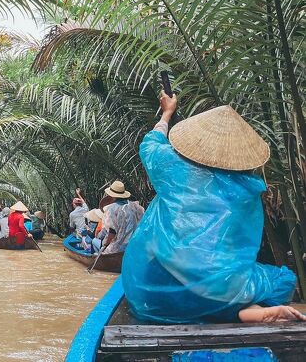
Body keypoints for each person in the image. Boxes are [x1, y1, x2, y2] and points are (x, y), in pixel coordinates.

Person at [122, 91, 305, 324]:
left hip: (152, 293)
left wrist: (167, 112)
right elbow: (237, 252)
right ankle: (245, 310)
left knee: (193, 276)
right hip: (217, 293)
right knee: (282, 280)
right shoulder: (247, 190)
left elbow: (150, 144)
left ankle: (240, 308)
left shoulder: (170, 166)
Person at [93, 181, 144, 255]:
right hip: (133, 245)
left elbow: (112, 232)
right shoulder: (135, 206)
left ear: (112, 196)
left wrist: (105, 245)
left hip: (117, 248)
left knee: (97, 251)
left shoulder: (112, 209)